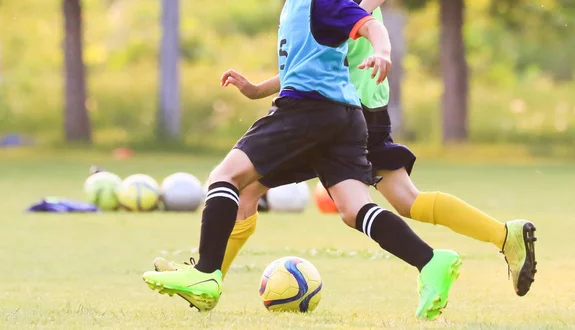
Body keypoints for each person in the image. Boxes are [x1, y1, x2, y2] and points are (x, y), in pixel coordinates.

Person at [155, 0, 537, 300]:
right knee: (390, 203)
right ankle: (495, 239)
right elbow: (313, 52)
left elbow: (358, 28)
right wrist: (257, 89)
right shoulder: (310, 8)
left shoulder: (333, 3)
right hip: (354, 110)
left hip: (343, 108)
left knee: (243, 184)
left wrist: (382, 50)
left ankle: (206, 275)